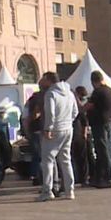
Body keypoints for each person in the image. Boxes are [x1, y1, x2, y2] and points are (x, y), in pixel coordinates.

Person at [38, 72, 78, 201]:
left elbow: (50, 113)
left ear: (48, 80)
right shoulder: (70, 93)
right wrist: (69, 121)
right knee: (66, 160)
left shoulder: (51, 93)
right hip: (67, 128)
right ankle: (69, 190)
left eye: (43, 79)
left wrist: (47, 128)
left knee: (48, 160)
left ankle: (47, 191)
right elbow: (75, 111)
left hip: (55, 129)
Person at [84, 71, 111, 188]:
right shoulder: (109, 91)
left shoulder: (98, 92)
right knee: (101, 150)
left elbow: (88, 106)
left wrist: (80, 108)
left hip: (99, 124)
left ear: (94, 82)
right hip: (107, 122)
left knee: (102, 151)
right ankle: (98, 178)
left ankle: (107, 178)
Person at [23, 77, 48, 185]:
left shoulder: (33, 98)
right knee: (43, 156)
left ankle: (37, 176)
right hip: (41, 129)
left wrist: (27, 128)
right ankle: (41, 177)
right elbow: (34, 114)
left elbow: (26, 116)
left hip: (36, 130)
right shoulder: (42, 97)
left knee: (37, 155)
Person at [71, 86, 91, 186]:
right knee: (77, 156)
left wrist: (84, 132)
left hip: (78, 132)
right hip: (75, 132)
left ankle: (83, 178)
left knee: (81, 156)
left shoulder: (77, 107)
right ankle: (80, 177)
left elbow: (84, 119)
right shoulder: (74, 105)